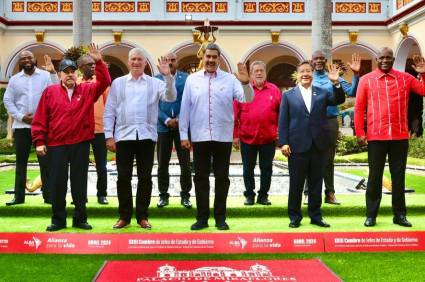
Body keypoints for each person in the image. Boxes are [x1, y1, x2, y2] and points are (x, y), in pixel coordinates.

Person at [32, 44, 111, 231]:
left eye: (72, 71)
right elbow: (40, 118)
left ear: (77, 74)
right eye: (65, 72)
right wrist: (40, 141)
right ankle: (58, 220)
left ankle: (80, 218)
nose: (69, 75)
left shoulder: (87, 90)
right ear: (59, 75)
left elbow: (105, 81)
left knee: (79, 183)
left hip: (80, 144)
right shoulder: (50, 92)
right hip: (57, 145)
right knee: (58, 183)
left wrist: (99, 62)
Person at [179, 43, 254, 231]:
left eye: (214, 57)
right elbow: (185, 109)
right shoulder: (192, 80)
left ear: (219, 59)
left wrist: (246, 83)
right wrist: (183, 135)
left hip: (222, 137)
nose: (211, 60)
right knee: (201, 178)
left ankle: (220, 217)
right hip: (199, 136)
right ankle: (202, 218)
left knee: (222, 178)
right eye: (208, 56)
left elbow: (247, 99)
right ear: (203, 58)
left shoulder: (230, 79)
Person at [104, 48, 176, 230]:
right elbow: (110, 110)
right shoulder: (118, 83)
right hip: (124, 136)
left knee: (145, 178)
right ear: (129, 62)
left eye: (139, 60)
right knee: (123, 177)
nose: (136, 62)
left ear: (145, 63)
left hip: (146, 136)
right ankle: (124, 216)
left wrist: (167, 77)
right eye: (133, 59)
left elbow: (170, 97)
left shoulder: (155, 83)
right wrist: (108, 135)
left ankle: (142, 216)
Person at [354, 48, 425, 228]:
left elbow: (423, 90)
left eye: (388, 58)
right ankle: (371, 215)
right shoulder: (366, 80)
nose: (385, 60)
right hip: (376, 136)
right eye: (382, 57)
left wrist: (423, 74)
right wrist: (360, 133)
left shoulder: (406, 78)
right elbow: (359, 108)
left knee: (399, 177)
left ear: (393, 59)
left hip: (400, 136)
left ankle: (399, 215)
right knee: (375, 177)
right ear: (377, 59)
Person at [278, 61, 345, 228]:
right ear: (297, 75)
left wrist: (336, 83)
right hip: (296, 146)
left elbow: (339, 99)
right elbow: (283, 121)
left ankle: (316, 216)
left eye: (308, 71)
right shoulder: (288, 95)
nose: (305, 74)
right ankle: (295, 217)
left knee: (316, 183)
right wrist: (283, 142)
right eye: (302, 71)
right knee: (296, 184)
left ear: (312, 74)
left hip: (318, 145)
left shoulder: (322, 93)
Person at [303, 51, 360, 205]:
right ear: (311, 61)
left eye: (322, 58)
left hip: (330, 121)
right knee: (310, 157)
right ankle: (308, 193)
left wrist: (355, 74)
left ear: (325, 60)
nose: (319, 61)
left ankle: (330, 193)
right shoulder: (307, 78)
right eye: (316, 58)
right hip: (312, 122)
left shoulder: (334, 77)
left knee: (328, 159)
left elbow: (352, 92)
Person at [3, 51, 58, 206]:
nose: (26, 60)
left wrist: (53, 72)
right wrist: (21, 117)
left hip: (42, 128)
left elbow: (55, 92)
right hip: (21, 127)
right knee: (21, 163)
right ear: (20, 62)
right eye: (23, 58)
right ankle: (19, 197)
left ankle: (48, 196)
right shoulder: (14, 80)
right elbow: (8, 100)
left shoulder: (45, 76)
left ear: (35, 59)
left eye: (29, 57)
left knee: (46, 162)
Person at [233, 60, 281, 206]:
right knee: (248, 169)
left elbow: (282, 113)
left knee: (266, 169)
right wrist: (235, 135)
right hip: (247, 137)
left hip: (268, 137)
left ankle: (263, 195)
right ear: (251, 74)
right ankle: (249, 195)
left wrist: (280, 133)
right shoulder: (244, 90)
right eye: (256, 71)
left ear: (265, 73)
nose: (259, 73)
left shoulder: (274, 90)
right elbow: (235, 113)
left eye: (261, 70)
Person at [156, 53, 192, 209]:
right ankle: (163, 195)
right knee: (162, 163)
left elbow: (189, 101)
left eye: (173, 60)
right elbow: (153, 104)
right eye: (167, 60)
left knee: (185, 163)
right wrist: (166, 120)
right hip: (162, 126)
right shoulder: (156, 79)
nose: (170, 63)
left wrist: (178, 119)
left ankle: (185, 195)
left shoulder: (186, 79)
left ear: (177, 62)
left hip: (182, 126)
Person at [77, 54, 109, 205]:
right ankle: (80, 196)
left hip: (100, 130)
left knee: (101, 165)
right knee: (80, 166)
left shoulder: (100, 82)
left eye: (93, 64)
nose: (92, 66)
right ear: (80, 67)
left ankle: (102, 194)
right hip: (81, 131)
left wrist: (110, 130)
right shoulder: (76, 83)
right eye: (89, 64)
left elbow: (109, 105)